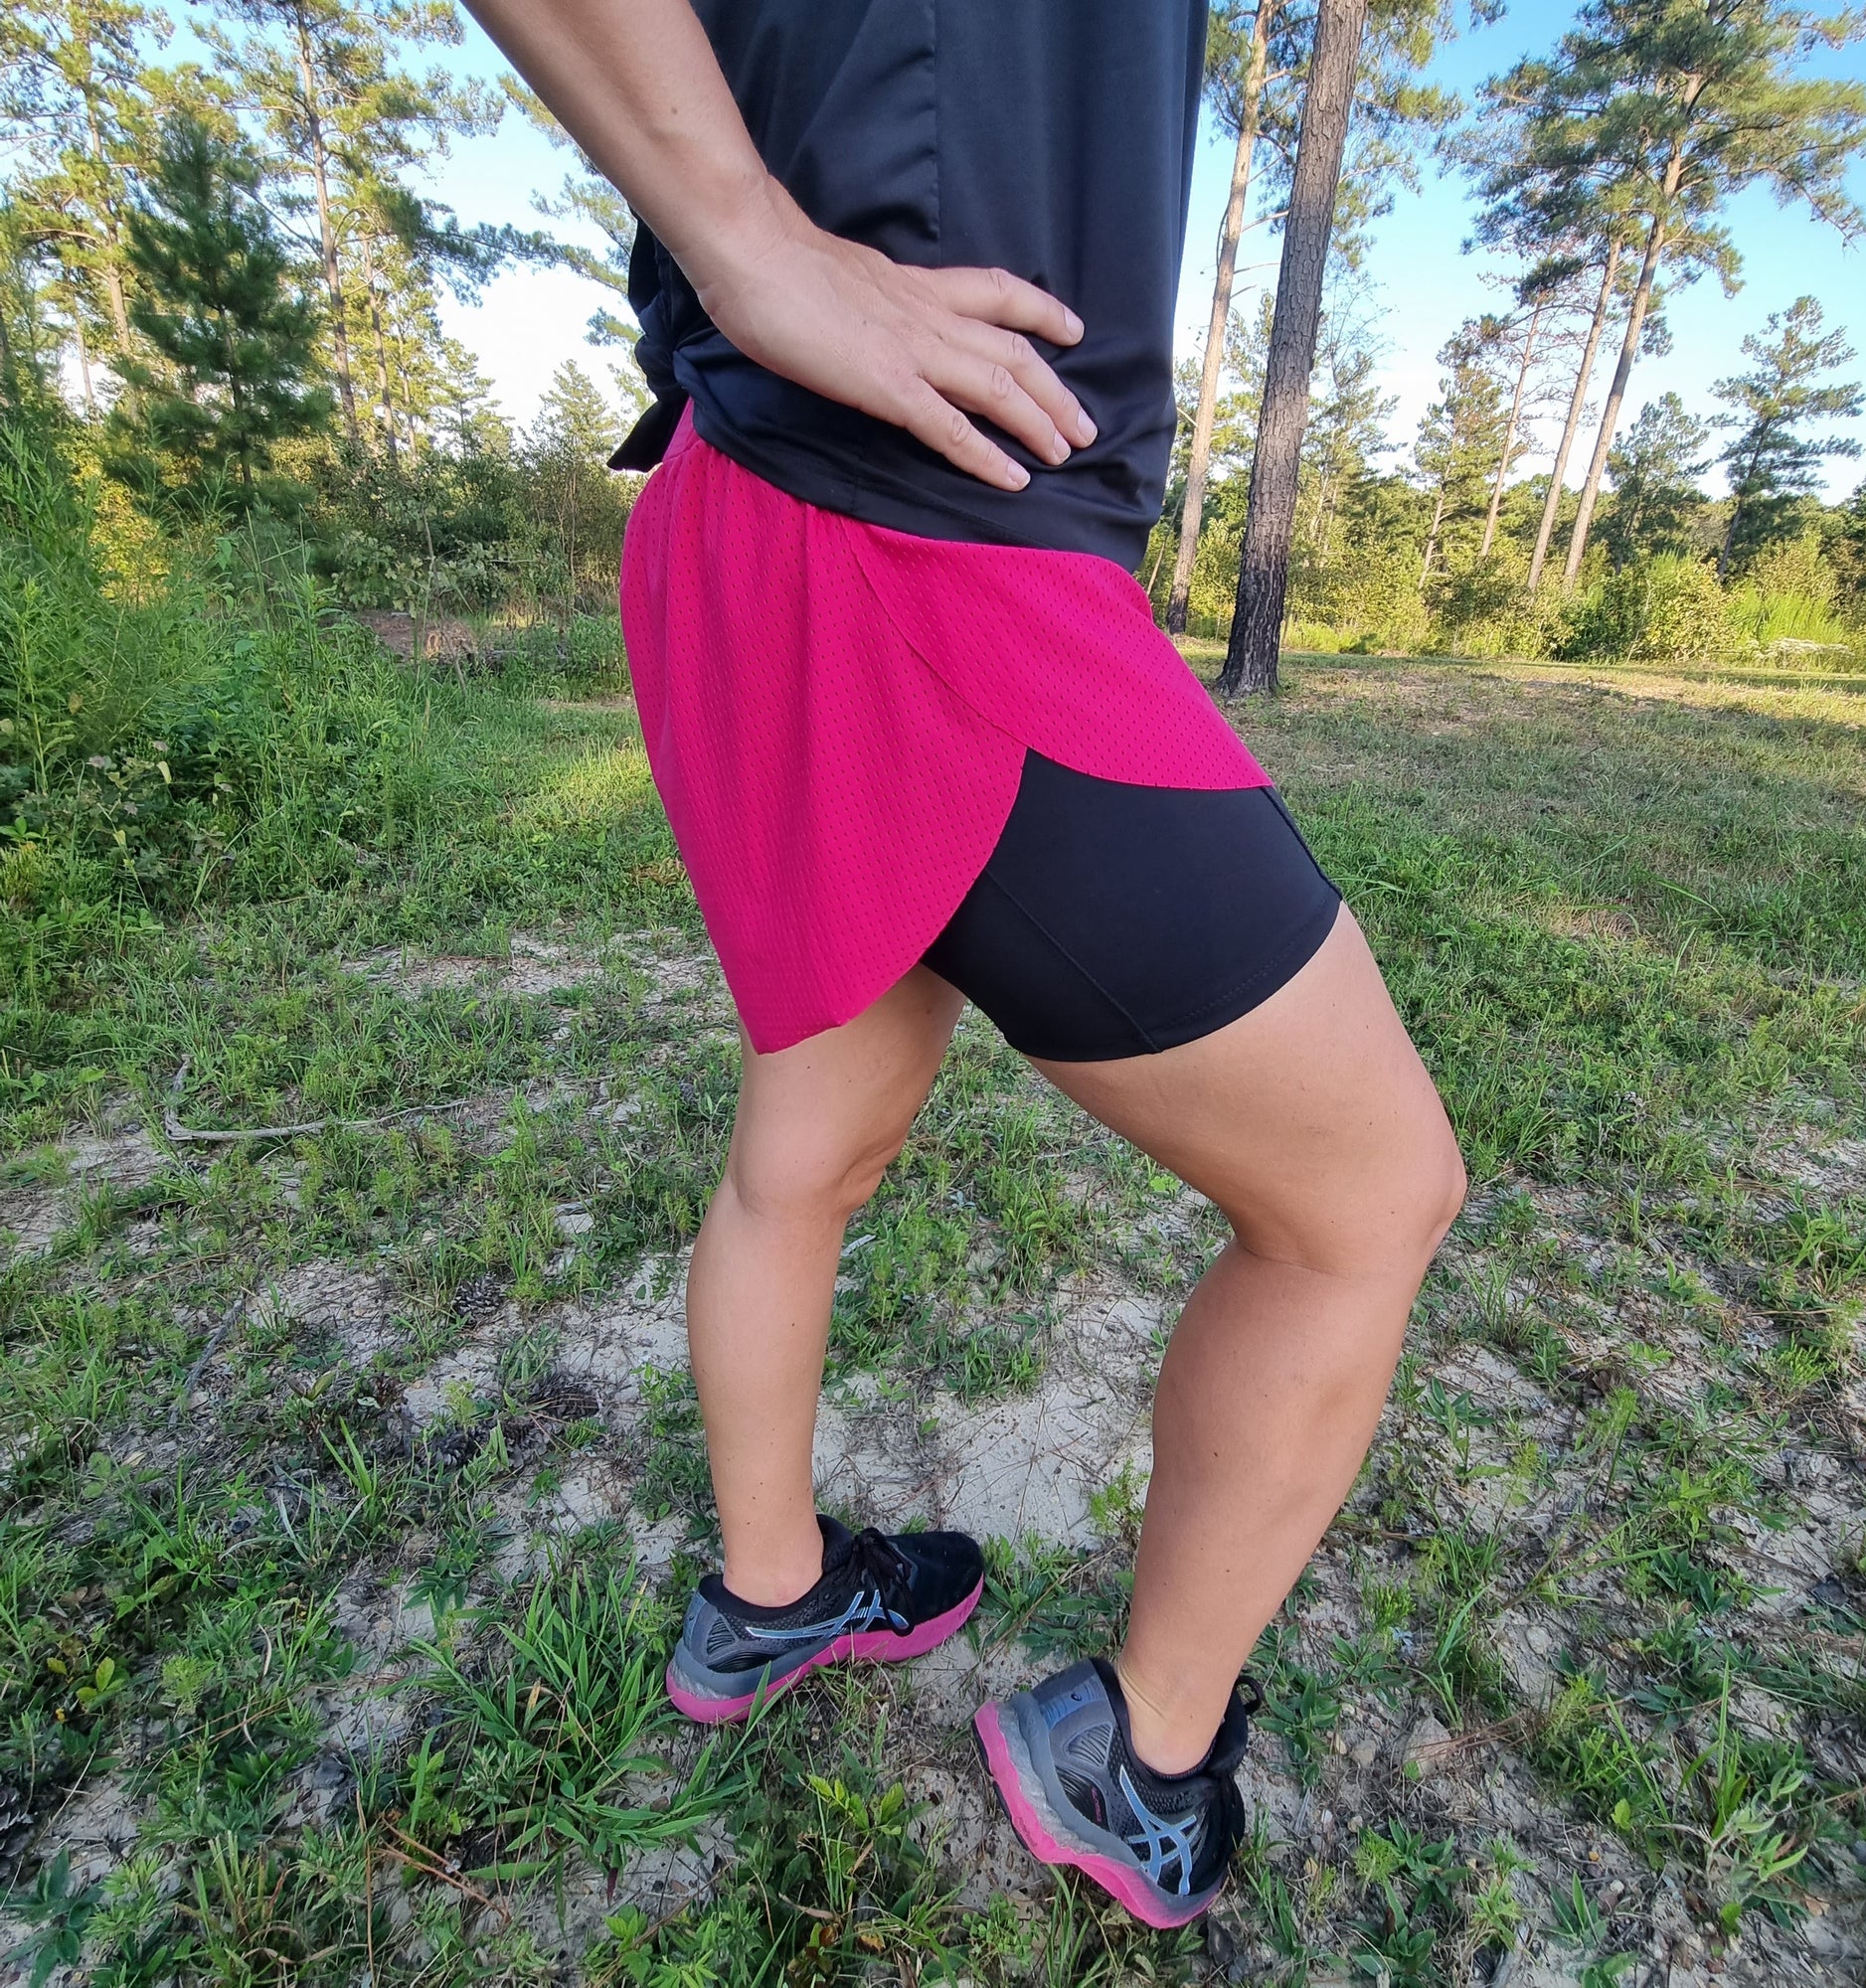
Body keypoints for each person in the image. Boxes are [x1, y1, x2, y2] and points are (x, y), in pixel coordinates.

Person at [462, 0, 1466, 1928]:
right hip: (922, 545)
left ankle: (770, 1595)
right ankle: (1135, 1757)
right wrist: (751, 244)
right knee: (1368, 1198)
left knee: (811, 1144)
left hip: (768, 517)